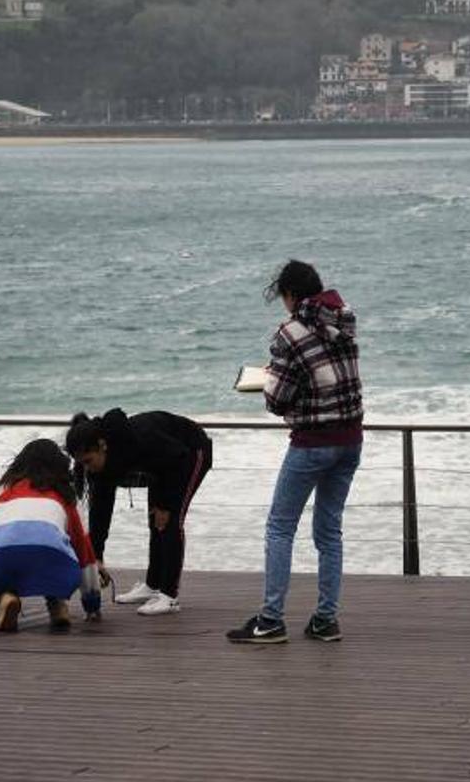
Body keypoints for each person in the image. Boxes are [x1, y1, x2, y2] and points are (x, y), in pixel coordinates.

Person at [227, 260, 364, 644]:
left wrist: (270, 378)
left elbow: (277, 399)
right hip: (351, 439)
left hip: (312, 443)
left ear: (290, 295)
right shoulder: (345, 321)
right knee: (329, 530)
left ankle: (270, 620)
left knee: (280, 527)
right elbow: (335, 379)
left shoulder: (289, 333)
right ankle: (325, 619)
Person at [65, 408, 213, 616]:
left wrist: (165, 505)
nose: (86, 468)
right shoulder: (99, 468)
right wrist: (96, 555)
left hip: (190, 452)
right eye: (81, 464)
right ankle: (153, 586)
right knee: (155, 523)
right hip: (162, 467)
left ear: (102, 445)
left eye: (88, 461)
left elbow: (177, 458)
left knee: (170, 522)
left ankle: (170, 596)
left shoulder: (139, 439)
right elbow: (100, 511)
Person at [0, 438, 102, 633]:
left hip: (0, 558)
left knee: (6, 565)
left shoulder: (0, 491)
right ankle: (58, 606)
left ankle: (7, 596)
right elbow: (83, 547)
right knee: (55, 554)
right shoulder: (65, 495)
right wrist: (92, 603)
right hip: (49, 558)